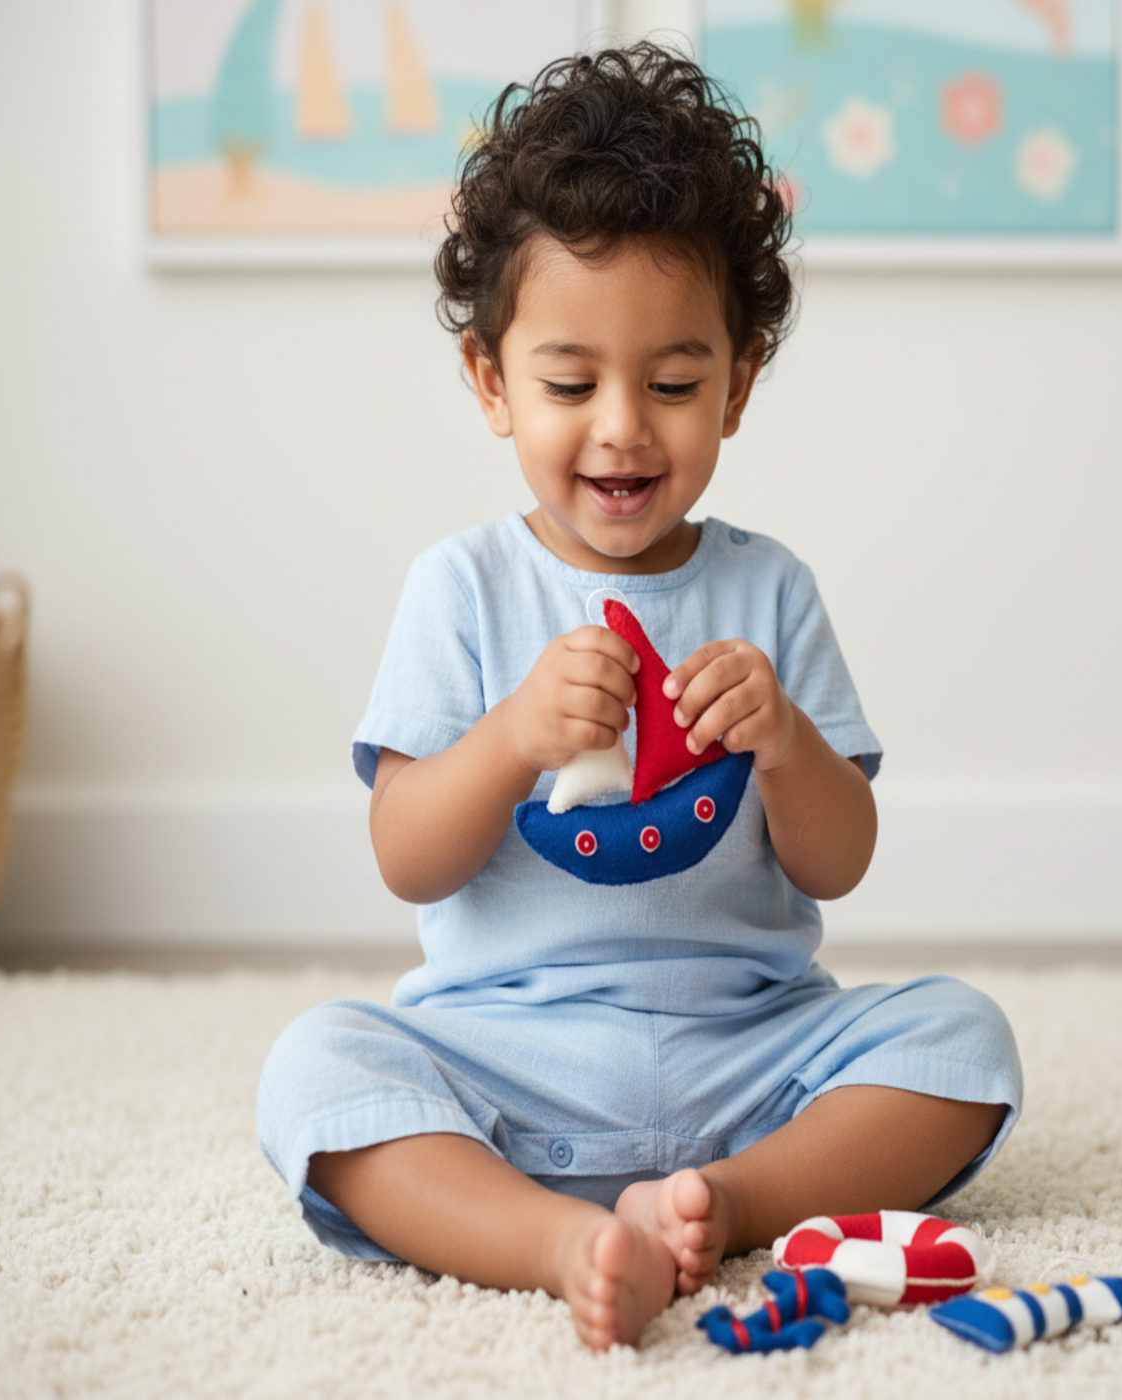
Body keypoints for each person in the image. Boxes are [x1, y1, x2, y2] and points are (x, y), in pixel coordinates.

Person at [258, 42, 1022, 1352]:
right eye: (570, 384)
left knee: (966, 1040)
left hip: (752, 1062)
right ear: (493, 384)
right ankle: (554, 1237)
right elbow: (407, 856)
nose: (623, 426)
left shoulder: (771, 591)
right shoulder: (462, 588)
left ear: (740, 378)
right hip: (509, 1061)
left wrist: (781, 741)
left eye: (674, 383)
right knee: (317, 1069)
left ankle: (727, 1207)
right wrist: (508, 740)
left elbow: (838, 862)